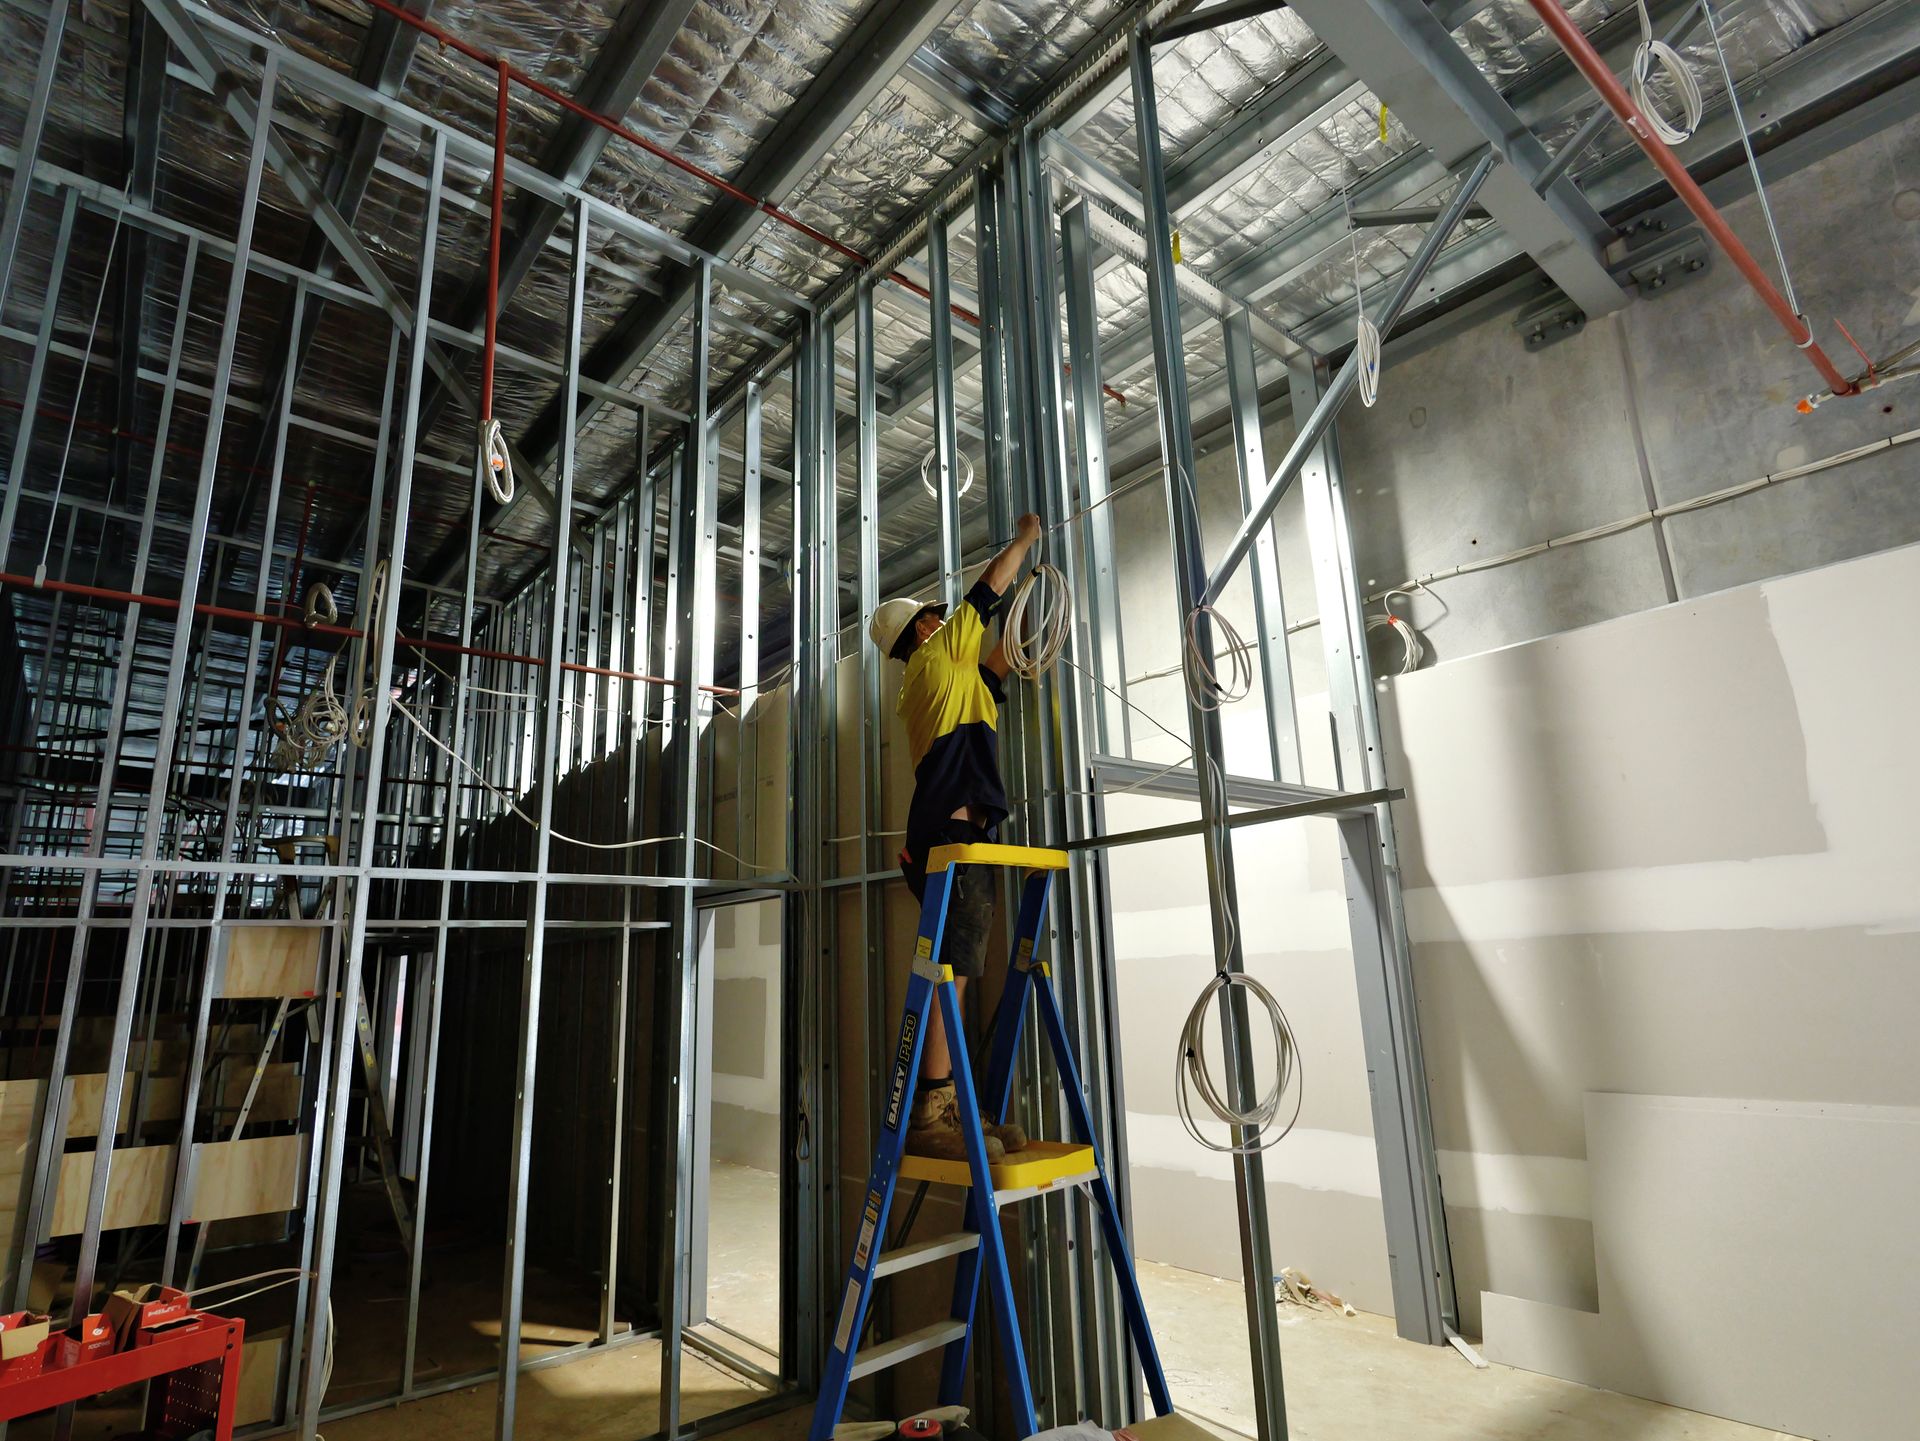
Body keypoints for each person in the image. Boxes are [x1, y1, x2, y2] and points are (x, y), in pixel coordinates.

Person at [866, 512, 1044, 1161]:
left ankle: (954, 1105)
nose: (945, 619)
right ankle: (932, 1112)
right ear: (921, 628)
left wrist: (1039, 599)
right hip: (948, 837)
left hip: (952, 839)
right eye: (936, 615)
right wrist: (1024, 540)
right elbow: (986, 596)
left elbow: (1004, 657)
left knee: (961, 971)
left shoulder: (953, 678)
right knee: (954, 974)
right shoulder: (935, 659)